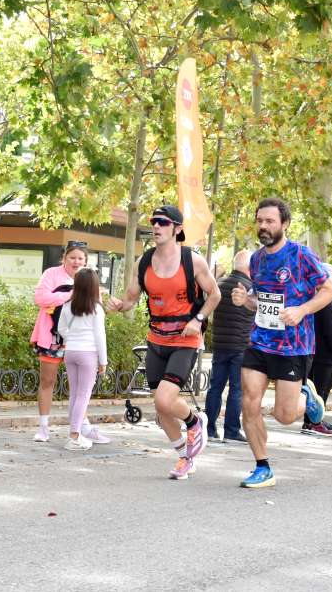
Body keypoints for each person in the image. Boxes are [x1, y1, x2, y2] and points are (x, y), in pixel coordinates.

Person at [107, 205, 222, 480]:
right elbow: (131, 299)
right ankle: (185, 457)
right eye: (154, 222)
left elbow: (214, 295)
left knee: (164, 398)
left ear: (177, 229)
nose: (156, 227)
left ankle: (195, 422)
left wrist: (198, 319)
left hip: (186, 339)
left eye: (163, 222)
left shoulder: (192, 261)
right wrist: (119, 305)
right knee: (161, 409)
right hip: (156, 340)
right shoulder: (143, 263)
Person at [230, 198, 332, 488]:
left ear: (285, 224)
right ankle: (262, 466)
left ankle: (307, 397)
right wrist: (246, 301)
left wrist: (302, 310)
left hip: (294, 346)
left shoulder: (301, 255)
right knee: (249, 403)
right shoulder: (257, 259)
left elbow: (330, 289)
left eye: (270, 221)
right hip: (260, 340)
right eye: (260, 220)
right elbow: (260, 302)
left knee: (285, 416)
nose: (263, 226)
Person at [31, 242, 102, 443]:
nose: (76, 261)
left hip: (81, 342)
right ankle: (43, 428)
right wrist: (72, 294)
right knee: (47, 381)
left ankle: (81, 428)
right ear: (64, 258)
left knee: (81, 388)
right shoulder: (51, 274)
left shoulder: (90, 278)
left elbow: (96, 308)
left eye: (81, 258)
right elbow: (41, 298)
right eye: (72, 257)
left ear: (86, 261)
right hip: (52, 337)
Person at [206, 250, 254, 443]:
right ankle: (232, 430)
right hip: (241, 346)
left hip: (220, 344)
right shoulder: (249, 289)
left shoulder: (220, 284)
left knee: (215, 387)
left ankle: (209, 429)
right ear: (249, 268)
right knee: (236, 389)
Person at [57, 268, 109, 449]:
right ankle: (74, 436)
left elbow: (61, 329)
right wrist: (103, 361)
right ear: (94, 287)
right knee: (83, 395)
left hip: (70, 352)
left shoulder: (66, 306)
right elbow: (100, 336)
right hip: (88, 354)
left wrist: (72, 338)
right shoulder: (96, 308)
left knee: (74, 394)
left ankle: (74, 433)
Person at [303, 263, 332, 436]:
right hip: (325, 353)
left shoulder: (317, 300)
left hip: (320, 351)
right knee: (320, 388)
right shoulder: (323, 301)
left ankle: (314, 421)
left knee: (317, 388)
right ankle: (314, 422)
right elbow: (331, 329)